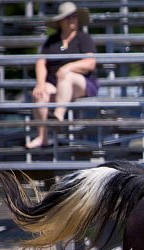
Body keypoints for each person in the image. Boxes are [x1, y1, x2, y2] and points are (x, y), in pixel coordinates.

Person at [26, 2, 99, 149]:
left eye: (74, 16)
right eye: (68, 17)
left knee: (68, 77)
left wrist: (69, 67)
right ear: (61, 21)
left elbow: (90, 63)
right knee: (40, 93)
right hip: (55, 84)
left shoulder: (83, 38)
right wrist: (40, 83)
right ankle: (42, 137)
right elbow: (41, 62)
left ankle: (58, 116)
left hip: (81, 83)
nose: (72, 19)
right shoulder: (52, 40)